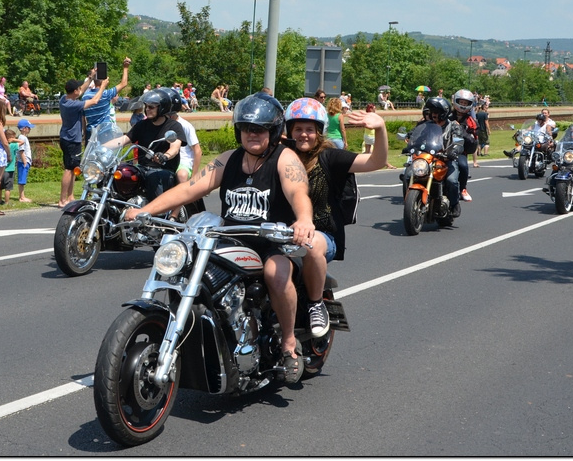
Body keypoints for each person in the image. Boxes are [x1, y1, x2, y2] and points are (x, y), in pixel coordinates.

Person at [124, 92, 315, 383]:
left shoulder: (284, 158)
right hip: (230, 240)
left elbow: (297, 192)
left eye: (260, 128)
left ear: (273, 131)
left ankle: (289, 344)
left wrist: (303, 220)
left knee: (276, 274)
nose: (252, 134)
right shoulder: (230, 159)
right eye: (247, 128)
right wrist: (144, 210)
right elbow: (190, 189)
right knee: (187, 267)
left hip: (272, 242)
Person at [282, 96, 388, 338]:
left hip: (322, 235)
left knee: (310, 245)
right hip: (281, 235)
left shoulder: (330, 156)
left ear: (319, 132)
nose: (304, 135)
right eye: (298, 129)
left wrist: (380, 128)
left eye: (310, 129)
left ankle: (315, 304)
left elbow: (376, 161)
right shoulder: (281, 156)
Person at [106, 87, 187, 202]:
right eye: (146, 106)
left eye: (151, 107)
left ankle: (158, 215)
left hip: (163, 169)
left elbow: (175, 147)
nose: (147, 109)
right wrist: (102, 146)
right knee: (118, 174)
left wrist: (165, 156)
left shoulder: (173, 126)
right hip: (143, 168)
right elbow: (124, 139)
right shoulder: (141, 125)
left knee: (154, 176)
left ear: (162, 107)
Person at [58, 69, 108, 207]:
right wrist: (103, 86)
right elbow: (95, 100)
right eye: (78, 88)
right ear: (74, 91)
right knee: (69, 169)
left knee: (74, 168)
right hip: (71, 140)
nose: (80, 90)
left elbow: (81, 91)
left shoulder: (64, 99)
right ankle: (62, 200)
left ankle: (70, 196)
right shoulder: (73, 105)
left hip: (68, 138)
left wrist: (90, 78)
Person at [424, 96, 463, 216]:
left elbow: (459, 141)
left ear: (443, 113)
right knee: (408, 174)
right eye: (431, 112)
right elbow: (416, 136)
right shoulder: (426, 126)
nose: (433, 114)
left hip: (446, 160)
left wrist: (454, 151)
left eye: (436, 112)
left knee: (452, 181)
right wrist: (409, 139)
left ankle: (455, 204)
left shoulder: (453, 126)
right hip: (428, 160)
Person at [82, 58, 131, 141]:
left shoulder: (85, 96)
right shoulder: (106, 94)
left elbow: (83, 117)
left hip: (90, 133)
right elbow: (124, 83)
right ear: (104, 80)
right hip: (104, 132)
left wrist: (84, 132)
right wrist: (125, 67)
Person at [450, 89, 478, 201]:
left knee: (463, 166)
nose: (462, 105)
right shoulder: (447, 116)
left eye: (465, 103)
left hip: (460, 150)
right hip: (441, 148)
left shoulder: (470, 121)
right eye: (461, 102)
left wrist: (462, 131)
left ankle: (463, 189)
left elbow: (473, 138)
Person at [172, 104, 201, 184]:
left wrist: (194, 176)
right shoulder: (162, 124)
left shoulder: (185, 125)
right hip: (167, 159)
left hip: (183, 161)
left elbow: (197, 150)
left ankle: (186, 195)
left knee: (182, 175)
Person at [15, 119, 34, 203]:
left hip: (24, 161)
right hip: (23, 162)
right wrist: (24, 161)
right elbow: (21, 150)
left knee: (23, 179)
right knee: (22, 180)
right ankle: (21, 197)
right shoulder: (22, 138)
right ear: (24, 128)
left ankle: (22, 196)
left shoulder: (23, 137)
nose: (30, 129)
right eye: (28, 127)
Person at [0, 128, 19, 206]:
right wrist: (15, 140)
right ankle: (7, 202)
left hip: (2, 169)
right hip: (10, 169)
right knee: (8, 188)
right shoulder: (13, 145)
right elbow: (22, 142)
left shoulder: (2, 145)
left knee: (0, 187)